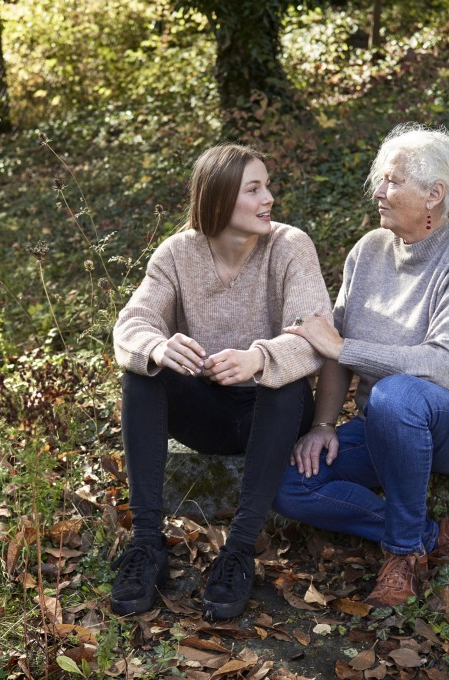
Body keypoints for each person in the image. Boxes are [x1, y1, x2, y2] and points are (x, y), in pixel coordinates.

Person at [275, 123, 449, 607]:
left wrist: (343, 347)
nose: (378, 192)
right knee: (290, 486)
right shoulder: (367, 252)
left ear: (434, 195)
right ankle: (436, 534)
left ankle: (402, 554)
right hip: (387, 424)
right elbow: (335, 349)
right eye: (379, 180)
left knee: (397, 393)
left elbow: (442, 367)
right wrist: (324, 424)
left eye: (392, 181)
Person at [110, 143, 332, 619]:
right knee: (142, 374)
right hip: (207, 413)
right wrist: (157, 347)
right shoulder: (177, 254)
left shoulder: (291, 247)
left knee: (285, 380)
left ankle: (239, 551)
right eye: (253, 189)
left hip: (273, 413)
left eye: (266, 185)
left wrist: (259, 357)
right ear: (218, 199)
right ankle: (147, 544)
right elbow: (131, 325)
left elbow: (317, 339)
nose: (268, 197)